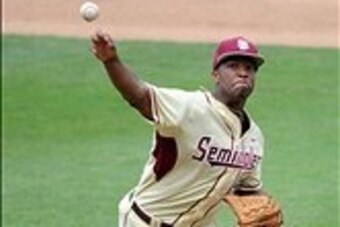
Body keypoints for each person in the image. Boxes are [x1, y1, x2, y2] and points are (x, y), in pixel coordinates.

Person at [91, 29, 266, 227]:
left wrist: (262, 208)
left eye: (249, 68)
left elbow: (247, 188)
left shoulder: (254, 136)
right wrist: (111, 61)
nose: (243, 73)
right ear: (216, 74)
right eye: (233, 66)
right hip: (146, 222)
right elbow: (140, 97)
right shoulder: (189, 107)